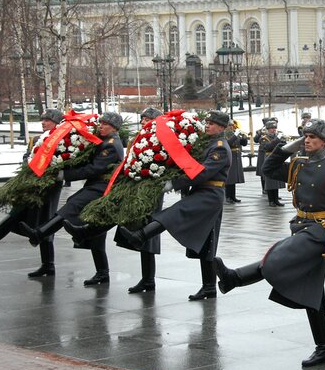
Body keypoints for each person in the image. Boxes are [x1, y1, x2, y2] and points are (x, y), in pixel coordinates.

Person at [212, 119, 325, 367]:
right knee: (313, 293)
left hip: (321, 232)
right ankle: (323, 348)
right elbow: (268, 169)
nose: (307, 140)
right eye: (305, 136)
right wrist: (288, 148)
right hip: (301, 226)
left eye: (313, 137)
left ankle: (236, 278)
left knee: (277, 257)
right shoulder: (299, 163)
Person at [117, 110, 232, 301]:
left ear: (221, 127)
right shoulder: (208, 143)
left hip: (210, 195)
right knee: (207, 243)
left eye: (212, 123)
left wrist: (175, 183)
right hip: (201, 193)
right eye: (208, 122)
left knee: (173, 214)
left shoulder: (220, 147)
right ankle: (209, 287)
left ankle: (140, 236)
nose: (208, 125)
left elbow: (203, 172)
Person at [64, 107, 165, 294]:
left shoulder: (164, 141)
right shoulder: (140, 139)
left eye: (147, 119)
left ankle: (148, 280)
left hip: (151, 190)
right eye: (142, 119)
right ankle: (88, 237)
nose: (143, 122)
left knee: (147, 234)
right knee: (117, 218)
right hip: (133, 186)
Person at [19, 112, 125, 286]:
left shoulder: (112, 145)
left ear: (114, 127)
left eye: (105, 124)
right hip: (96, 187)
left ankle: (39, 233)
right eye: (101, 123)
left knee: (73, 205)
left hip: (101, 188)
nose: (101, 126)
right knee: (95, 233)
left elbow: (93, 169)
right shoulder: (104, 141)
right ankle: (102, 273)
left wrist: (65, 174)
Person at [0, 109, 65, 278]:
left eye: (47, 120)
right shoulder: (37, 139)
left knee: (45, 221)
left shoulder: (64, 140)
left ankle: (47, 264)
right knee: (19, 211)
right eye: (42, 120)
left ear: (56, 123)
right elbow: (28, 155)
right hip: (32, 182)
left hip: (49, 185)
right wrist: (29, 163)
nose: (43, 122)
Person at [259, 121, 286, 206]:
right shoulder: (264, 138)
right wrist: (277, 139)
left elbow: (283, 147)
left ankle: (276, 199)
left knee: (276, 179)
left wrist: (283, 140)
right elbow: (267, 147)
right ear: (267, 129)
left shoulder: (277, 137)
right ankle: (271, 200)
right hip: (268, 158)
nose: (273, 130)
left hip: (276, 159)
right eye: (272, 128)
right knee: (269, 180)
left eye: (275, 128)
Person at [225, 120, 248, 204]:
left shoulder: (235, 133)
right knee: (229, 178)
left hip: (236, 156)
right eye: (230, 125)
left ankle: (233, 196)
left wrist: (244, 138)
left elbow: (243, 143)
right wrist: (235, 135)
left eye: (232, 125)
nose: (232, 127)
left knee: (234, 178)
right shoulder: (225, 134)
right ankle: (227, 196)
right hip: (230, 156)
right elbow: (228, 143)